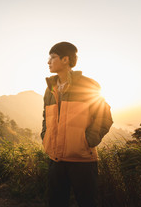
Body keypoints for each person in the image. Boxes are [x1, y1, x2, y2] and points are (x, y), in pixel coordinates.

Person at [41, 42, 113, 207]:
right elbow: (46, 116)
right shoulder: (49, 88)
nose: (48, 62)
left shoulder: (87, 85)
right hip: (56, 160)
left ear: (65, 59)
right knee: (56, 202)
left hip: (82, 161)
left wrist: (88, 140)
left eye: (52, 57)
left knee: (87, 203)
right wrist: (45, 136)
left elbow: (104, 115)